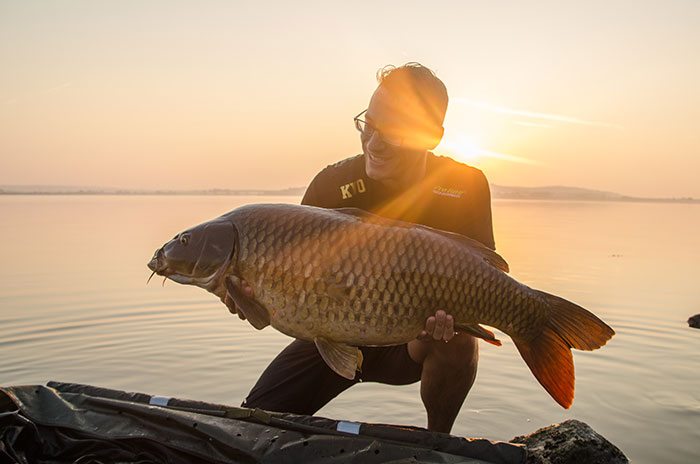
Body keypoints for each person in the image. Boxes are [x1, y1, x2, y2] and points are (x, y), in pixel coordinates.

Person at [229, 63, 495, 434]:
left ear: (431, 136)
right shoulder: (330, 184)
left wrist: (451, 321)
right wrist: (253, 299)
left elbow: (490, 280)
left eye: (395, 132)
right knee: (255, 423)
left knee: (460, 341)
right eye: (368, 125)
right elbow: (288, 292)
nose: (374, 143)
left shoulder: (466, 186)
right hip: (331, 335)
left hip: (413, 342)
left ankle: (438, 442)